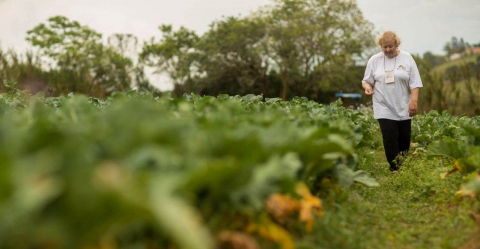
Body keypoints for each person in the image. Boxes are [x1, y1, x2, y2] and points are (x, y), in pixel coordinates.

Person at [361, 31, 423, 173]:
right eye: (384, 47)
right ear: (380, 46)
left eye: (390, 46)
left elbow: (415, 83)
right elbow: (366, 81)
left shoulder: (407, 58)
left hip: (403, 105)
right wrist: (368, 88)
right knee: (389, 136)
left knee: (404, 140)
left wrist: (413, 102)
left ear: (396, 44)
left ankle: (402, 166)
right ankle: (394, 169)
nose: (388, 50)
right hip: (383, 105)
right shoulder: (374, 60)